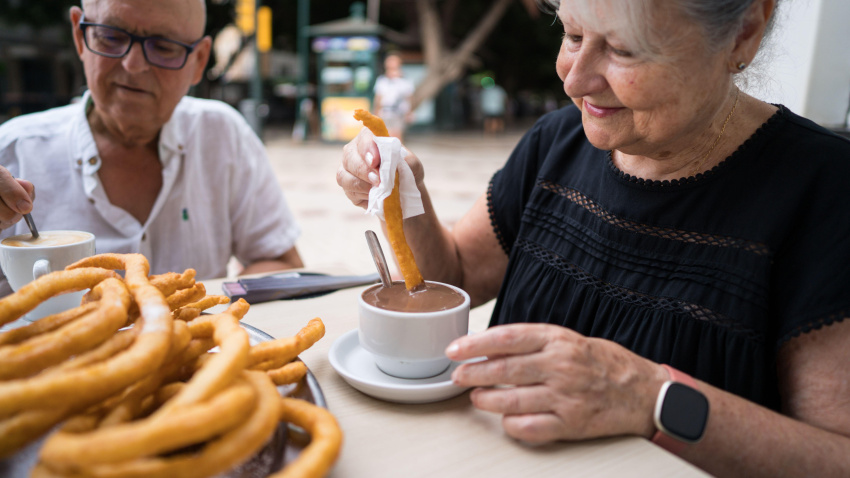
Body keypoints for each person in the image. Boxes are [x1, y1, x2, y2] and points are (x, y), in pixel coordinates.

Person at [338, 0, 850, 475]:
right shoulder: (557, 140)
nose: (575, 81)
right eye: (573, 34)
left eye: (624, 50)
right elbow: (453, 278)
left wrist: (648, 398)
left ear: (745, 32)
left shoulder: (825, 191)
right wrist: (404, 191)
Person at [0, 0, 303, 294]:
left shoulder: (222, 136)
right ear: (80, 35)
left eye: (163, 46)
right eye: (111, 36)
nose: (133, 64)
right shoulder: (13, 151)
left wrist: (210, 307)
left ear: (198, 61)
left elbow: (281, 262)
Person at [372, 53, 415, 140]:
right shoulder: (382, 80)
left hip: (398, 113)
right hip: (384, 112)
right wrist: (376, 111)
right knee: (384, 136)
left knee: (397, 137)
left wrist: (409, 112)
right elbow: (378, 97)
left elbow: (409, 97)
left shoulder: (405, 80)